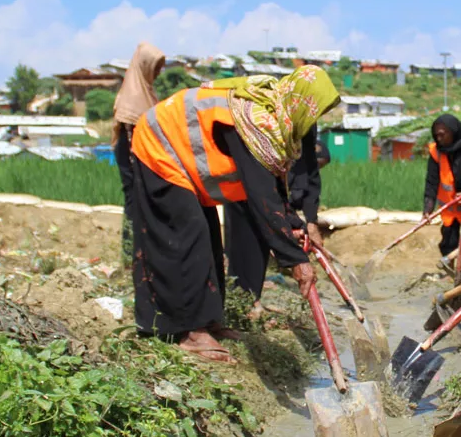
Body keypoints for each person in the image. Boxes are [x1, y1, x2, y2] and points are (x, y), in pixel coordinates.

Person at [122, 62, 340, 364]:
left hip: (185, 164)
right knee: (187, 238)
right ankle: (189, 331)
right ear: (300, 101)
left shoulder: (275, 126)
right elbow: (260, 196)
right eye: (314, 109)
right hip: (160, 147)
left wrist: (292, 224)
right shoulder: (254, 122)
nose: (313, 117)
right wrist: (295, 261)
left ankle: (209, 320)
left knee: (209, 239)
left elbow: (275, 191)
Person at [223, 120, 325, 315]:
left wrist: (310, 221)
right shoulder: (262, 123)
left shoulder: (307, 122)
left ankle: (250, 301)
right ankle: (244, 302)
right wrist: (295, 258)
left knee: (268, 232)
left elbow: (311, 171)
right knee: (250, 235)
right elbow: (266, 198)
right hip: (246, 185)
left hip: (285, 189)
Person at [112, 41, 167, 288]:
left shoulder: (145, 91)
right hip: (132, 157)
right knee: (135, 203)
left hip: (140, 156)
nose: (156, 74)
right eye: (154, 68)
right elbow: (130, 133)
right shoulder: (134, 96)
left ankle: (140, 253)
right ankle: (132, 254)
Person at [424, 115, 461, 260]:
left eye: (442, 135)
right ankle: (450, 272)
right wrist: (427, 209)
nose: (439, 139)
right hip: (450, 208)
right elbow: (431, 182)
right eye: (436, 135)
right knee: (448, 241)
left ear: (453, 131)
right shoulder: (436, 152)